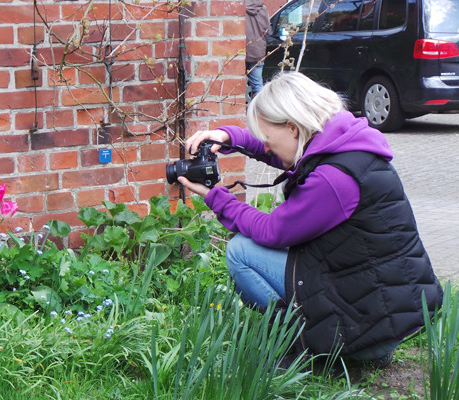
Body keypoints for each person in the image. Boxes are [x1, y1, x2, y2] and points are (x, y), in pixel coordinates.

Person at [177, 71, 443, 364]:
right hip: (384, 307)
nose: (264, 146)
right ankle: (356, 345)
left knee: (241, 251)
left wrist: (216, 197)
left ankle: (300, 343)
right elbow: (288, 155)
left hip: (368, 324)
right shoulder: (344, 140)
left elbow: (272, 231)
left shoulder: (332, 180)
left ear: (292, 127)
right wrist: (230, 137)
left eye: (266, 138)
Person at [245, 0, 271, 97]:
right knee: (257, 85)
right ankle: (260, 109)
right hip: (257, 52)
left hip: (242, 51)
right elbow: (268, 31)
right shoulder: (262, 8)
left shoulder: (239, 8)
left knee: (236, 84)